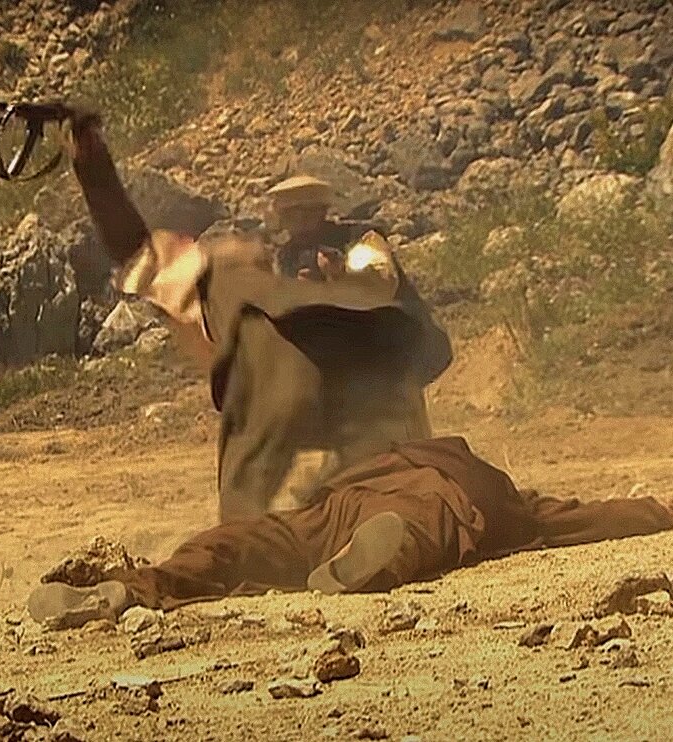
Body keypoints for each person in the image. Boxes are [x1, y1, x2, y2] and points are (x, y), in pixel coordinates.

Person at [64, 107, 452, 522]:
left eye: (305, 211)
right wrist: (94, 167)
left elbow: (377, 281)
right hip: (315, 393)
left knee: (397, 488)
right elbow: (145, 259)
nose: (298, 220)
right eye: (291, 213)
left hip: (375, 381)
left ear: (322, 210)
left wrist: (338, 279)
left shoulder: (358, 241)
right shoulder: (267, 264)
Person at [27, 436, 673, 629]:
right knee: (403, 533)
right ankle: (128, 588)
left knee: (253, 540)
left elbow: (579, 516)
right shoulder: (495, 489)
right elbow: (579, 517)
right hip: (385, 505)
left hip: (356, 506)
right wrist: (654, 510)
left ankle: (133, 589)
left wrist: (652, 510)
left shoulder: (421, 463)